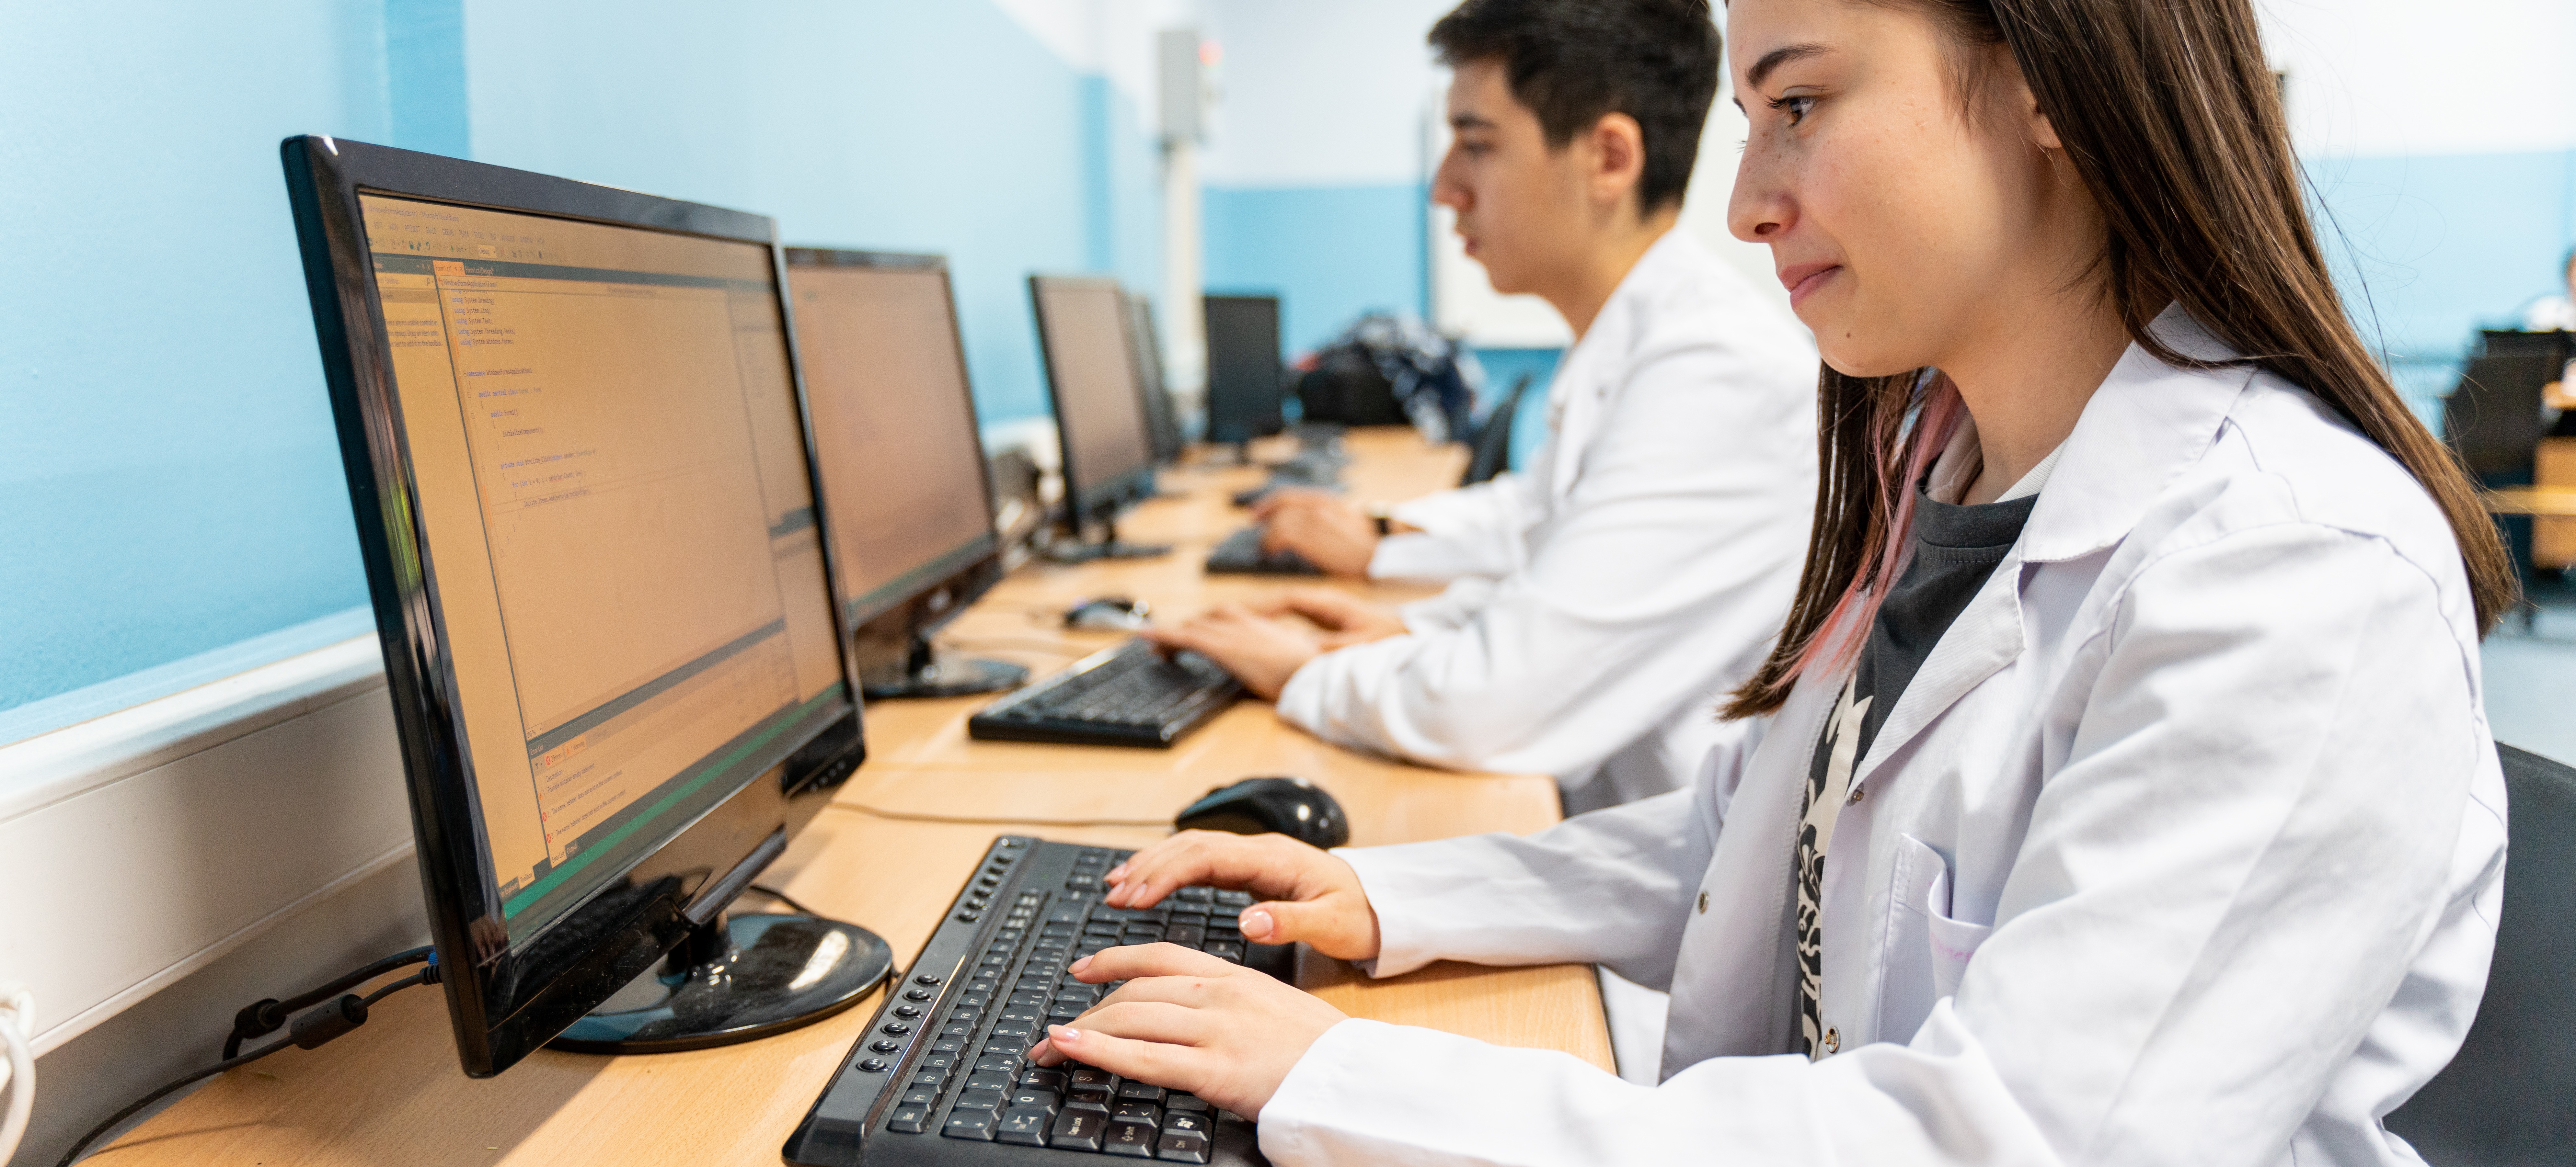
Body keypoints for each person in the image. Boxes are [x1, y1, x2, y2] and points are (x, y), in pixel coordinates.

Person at [1029, 0, 2519, 1162]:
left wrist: (1343, 1074)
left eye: (1800, 104)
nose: (1744, 203)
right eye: (1751, 120)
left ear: (2051, 80)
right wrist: (1384, 893)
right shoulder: (1944, 462)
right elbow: (1760, 841)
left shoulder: (2291, 574)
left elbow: (2012, 1146)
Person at [1149, 0, 1818, 810]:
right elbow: (1544, 532)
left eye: (1476, 144)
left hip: (1656, 877)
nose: (1443, 187)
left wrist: (1303, 669)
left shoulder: (1715, 370)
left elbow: (1496, 704)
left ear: (1608, 157)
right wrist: (1406, 620)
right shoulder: (1642, 339)